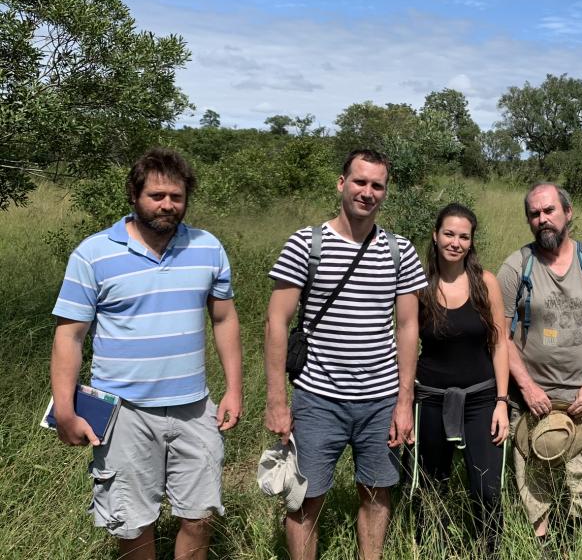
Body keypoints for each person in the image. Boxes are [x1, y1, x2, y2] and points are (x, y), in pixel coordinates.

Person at [50, 147, 243, 560]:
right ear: (134, 195)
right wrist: (65, 409)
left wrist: (234, 390)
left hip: (195, 408)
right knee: (133, 521)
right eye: (156, 196)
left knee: (200, 515)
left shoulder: (208, 248)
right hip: (125, 413)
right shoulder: (93, 253)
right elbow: (70, 336)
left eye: (176, 196)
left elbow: (224, 320)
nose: (167, 205)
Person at [263, 149, 426, 560]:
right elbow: (276, 322)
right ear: (341, 183)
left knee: (377, 493)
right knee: (303, 499)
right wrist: (277, 401)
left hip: (380, 400)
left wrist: (404, 402)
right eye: (359, 182)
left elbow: (408, 327)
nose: (367, 192)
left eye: (377, 186)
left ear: (385, 192)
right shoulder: (306, 244)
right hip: (317, 398)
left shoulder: (400, 251)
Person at [497, 182, 582, 548]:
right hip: (532, 399)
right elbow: (501, 335)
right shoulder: (516, 267)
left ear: (568, 213)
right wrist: (527, 388)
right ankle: (544, 547)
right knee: (534, 480)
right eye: (535, 214)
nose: (543, 219)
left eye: (549, 210)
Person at [412, 203, 510, 556]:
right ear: (436, 236)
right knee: (430, 485)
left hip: (482, 399)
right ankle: (429, 547)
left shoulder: (486, 282)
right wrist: (402, 403)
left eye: (463, 236)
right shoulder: (418, 282)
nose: (455, 242)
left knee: (486, 487)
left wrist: (502, 401)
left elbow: (500, 342)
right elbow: (406, 342)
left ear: (472, 242)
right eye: (449, 234)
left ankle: (489, 550)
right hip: (430, 398)